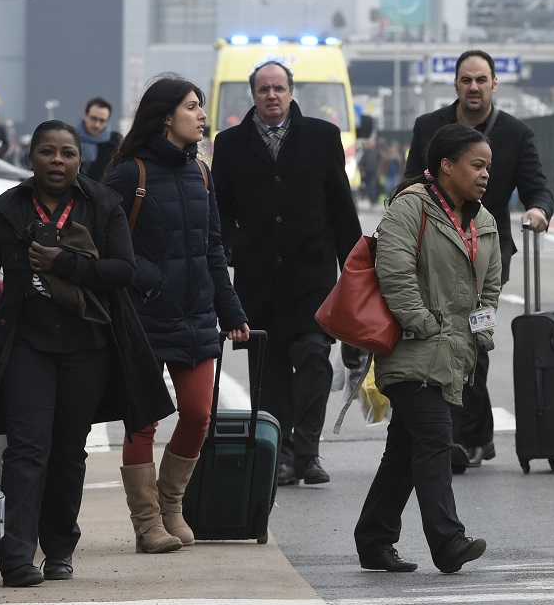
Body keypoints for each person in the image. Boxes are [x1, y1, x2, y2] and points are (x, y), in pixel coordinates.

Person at [0, 121, 175, 587]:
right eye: (48, 152)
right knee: (27, 449)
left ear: (78, 160)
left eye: (67, 153)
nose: (58, 161)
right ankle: (16, 556)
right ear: (30, 158)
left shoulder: (102, 204)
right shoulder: (8, 208)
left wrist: (64, 263)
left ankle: (59, 551)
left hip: (87, 347)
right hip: (26, 346)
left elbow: (123, 270)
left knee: (69, 452)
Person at [104, 75, 250, 553]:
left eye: (201, 106)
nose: (202, 115)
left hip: (196, 315)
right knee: (142, 420)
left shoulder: (200, 173)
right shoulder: (131, 174)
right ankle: (146, 524)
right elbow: (106, 239)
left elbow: (212, 247)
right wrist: (149, 277)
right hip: (144, 317)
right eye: (193, 106)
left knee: (197, 414)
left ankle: (171, 507)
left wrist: (230, 311)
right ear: (167, 116)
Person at [354, 122, 500, 574]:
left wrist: (482, 330)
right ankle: (447, 540)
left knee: (404, 450)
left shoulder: (485, 220)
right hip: (411, 348)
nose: (484, 175)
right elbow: (393, 273)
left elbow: (490, 286)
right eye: (476, 165)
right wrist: (422, 324)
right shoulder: (410, 207)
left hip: (455, 353)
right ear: (446, 166)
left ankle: (373, 539)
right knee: (436, 440)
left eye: (488, 167)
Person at [212, 60, 361, 486]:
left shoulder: (322, 137)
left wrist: (355, 269)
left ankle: (306, 453)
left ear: (292, 91)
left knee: (314, 356)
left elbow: (340, 208)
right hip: (258, 278)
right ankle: (277, 456)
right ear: (253, 95)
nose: (271, 96)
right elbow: (221, 210)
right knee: (270, 369)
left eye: (279, 88)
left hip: (311, 273)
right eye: (263, 90)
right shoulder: (231, 143)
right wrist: (231, 246)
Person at [404, 49, 553, 471]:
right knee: (438, 340)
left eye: (481, 79)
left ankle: (469, 435)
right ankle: (461, 435)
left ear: (493, 84)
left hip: (488, 256)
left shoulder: (517, 133)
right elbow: (411, 181)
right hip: (432, 251)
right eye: (466, 79)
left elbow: (538, 188)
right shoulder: (428, 127)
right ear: (455, 83)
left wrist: (539, 211)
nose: (474, 87)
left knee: (474, 342)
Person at [79, 96, 122, 180]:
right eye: (94, 118)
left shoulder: (115, 144)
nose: (96, 124)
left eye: (102, 120)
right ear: (85, 115)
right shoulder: (70, 139)